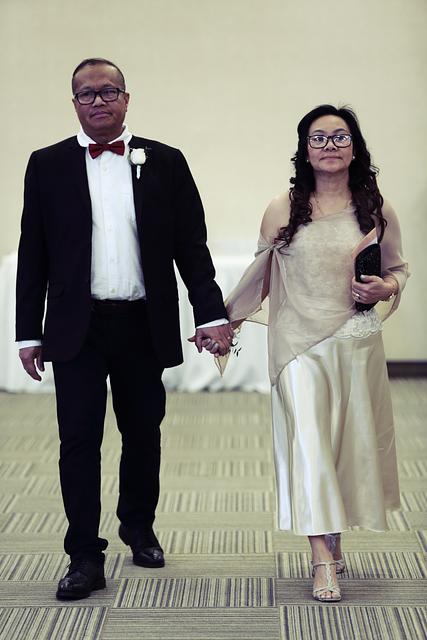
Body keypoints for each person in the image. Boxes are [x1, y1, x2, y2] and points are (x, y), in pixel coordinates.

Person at [16, 57, 234, 600]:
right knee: (78, 440)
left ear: (126, 98)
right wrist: (28, 332)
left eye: (108, 91)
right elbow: (33, 254)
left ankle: (138, 526)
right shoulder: (46, 165)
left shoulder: (165, 161)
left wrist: (210, 313)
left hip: (142, 322)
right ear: (74, 103)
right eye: (87, 94)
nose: (98, 101)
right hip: (77, 327)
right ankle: (84, 555)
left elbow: (191, 246)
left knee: (142, 432)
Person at [220, 105, 408, 602]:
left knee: (346, 448)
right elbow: (259, 276)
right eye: (318, 138)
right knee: (310, 445)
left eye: (339, 137)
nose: (329, 146)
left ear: (355, 147)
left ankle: (334, 535)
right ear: (304, 150)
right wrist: (224, 321)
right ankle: (321, 558)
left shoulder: (376, 208)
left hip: (356, 341)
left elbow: (398, 270)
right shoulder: (281, 209)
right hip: (298, 346)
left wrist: (385, 287)